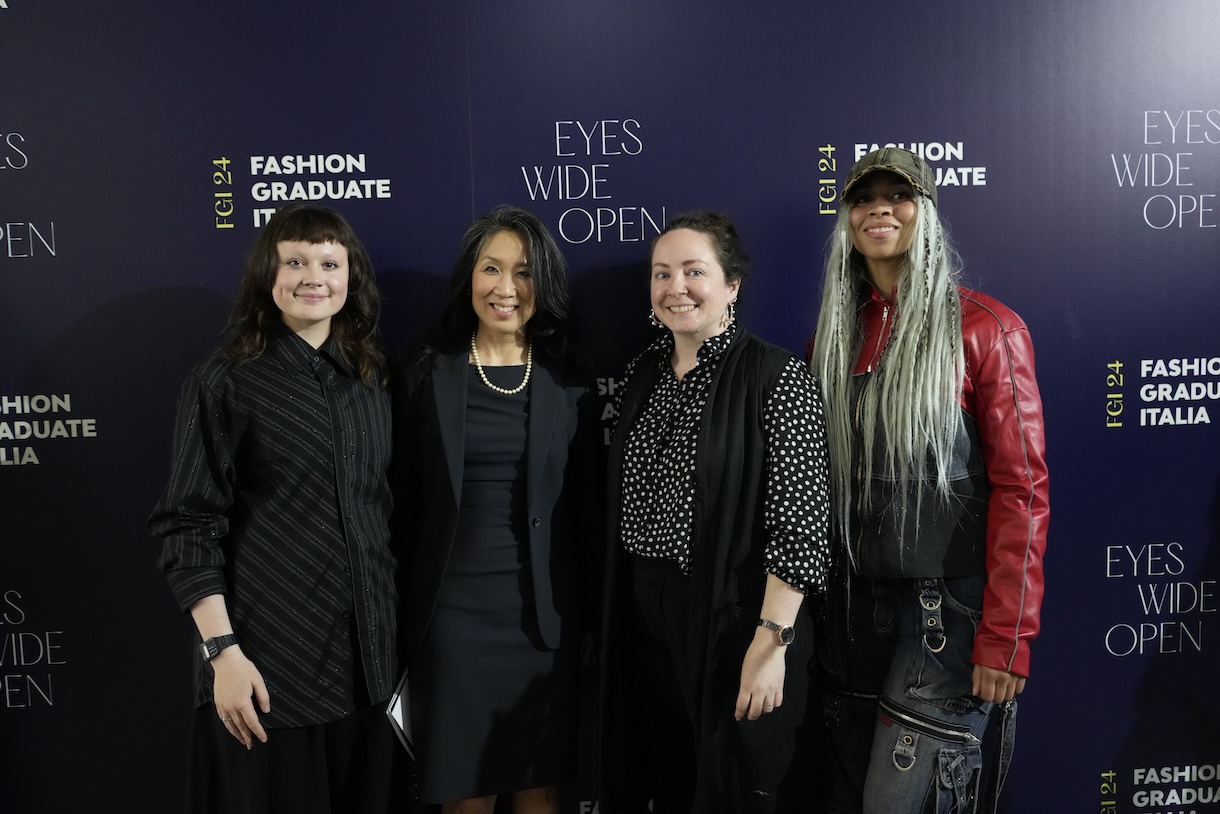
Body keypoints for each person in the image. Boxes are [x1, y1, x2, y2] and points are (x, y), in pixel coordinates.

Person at [806, 148, 1049, 814]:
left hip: (945, 618)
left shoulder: (987, 330)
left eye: (898, 194)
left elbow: (1023, 492)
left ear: (928, 212)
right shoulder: (831, 337)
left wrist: (1007, 637)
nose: (879, 207)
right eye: (863, 197)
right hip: (848, 614)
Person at [148, 203, 397, 814]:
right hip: (267, 673)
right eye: (295, 261)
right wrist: (222, 655)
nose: (313, 276)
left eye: (329, 262)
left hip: (372, 673)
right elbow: (187, 525)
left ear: (350, 277)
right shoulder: (223, 382)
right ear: (268, 274)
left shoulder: (370, 380)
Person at [600, 211, 832, 813]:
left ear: (732, 285)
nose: (675, 287)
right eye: (662, 274)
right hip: (647, 617)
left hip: (737, 620)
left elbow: (801, 521)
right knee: (671, 782)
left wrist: (772, 640)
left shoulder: (777, 376)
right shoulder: (643, 374)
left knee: (735, 786)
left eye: (694, 271)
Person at [391, 205, 600, 814]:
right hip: (452, 620)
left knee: (540, 786)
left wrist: (585, 615)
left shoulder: (569, 380)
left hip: (542, 619)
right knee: (467, 792)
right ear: (469, 278)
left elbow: (586, 509)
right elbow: (401, 503)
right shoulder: (427, 373)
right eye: (491, 269)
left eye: (523, 272)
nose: (505, 288)